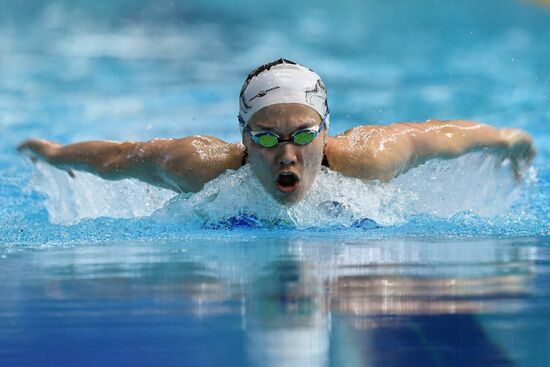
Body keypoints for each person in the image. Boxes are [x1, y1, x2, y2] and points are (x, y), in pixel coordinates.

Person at [18, 58, 536, 204]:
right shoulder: (199, 166)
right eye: (266, 136)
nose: (287, 153)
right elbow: (118, 158)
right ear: (243, 137)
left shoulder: (369, 156)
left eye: (304, 134)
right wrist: (56, 153)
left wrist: (507, 139)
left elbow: (441, 136)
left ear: (326, 131)